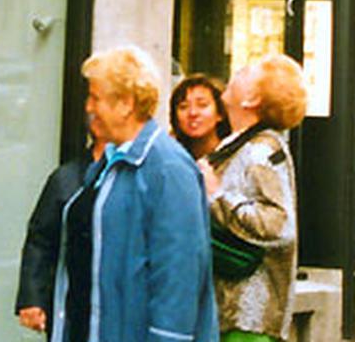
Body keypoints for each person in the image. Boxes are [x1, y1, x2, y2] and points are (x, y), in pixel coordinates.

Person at [50, 46, 218, 342]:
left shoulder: (168, 169)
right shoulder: (111, 162)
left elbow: (177, 279)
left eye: (95, 97)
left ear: (126, 103)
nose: (88, 107)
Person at [197, 54, 307, 342]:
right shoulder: (237, 144)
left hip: (249, 319)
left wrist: (216, 195)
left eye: (245, 71)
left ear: (252, 99)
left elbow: (280, 226)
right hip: (230, 314)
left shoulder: (260, 151)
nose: (236, 71)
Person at [15, 128, 106, 339]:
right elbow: (41, 239)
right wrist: (32, 297)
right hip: (74, 298)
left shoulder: (138, 175)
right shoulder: (66, 178)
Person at [170, 74, 232, 159]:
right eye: (183, 106)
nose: (192, 113)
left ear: (220, 113)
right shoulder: (171, 155)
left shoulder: (234, 156)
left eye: (202, 105)